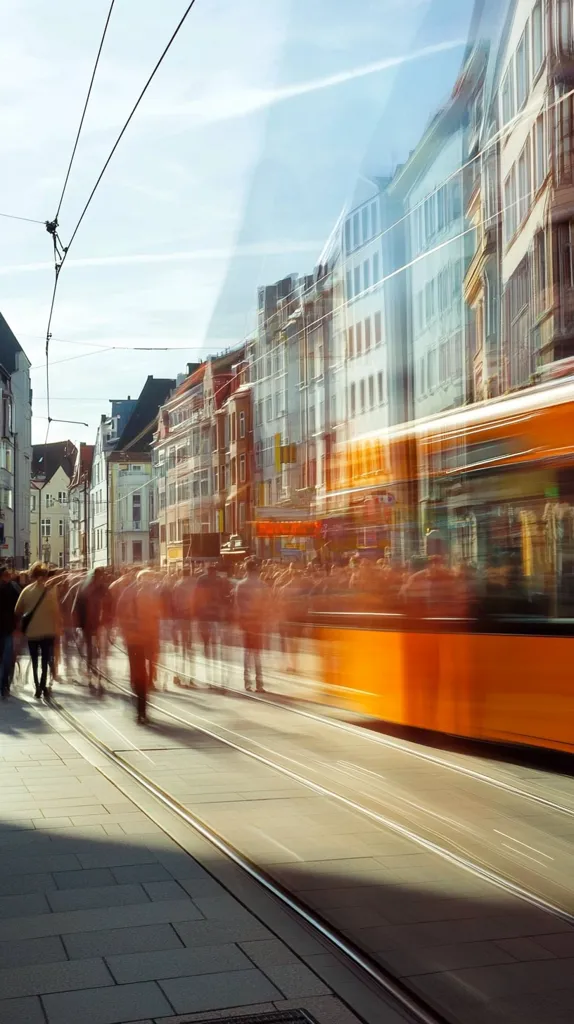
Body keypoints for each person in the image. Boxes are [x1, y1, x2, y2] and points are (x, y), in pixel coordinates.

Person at [15, 562, 61, 700]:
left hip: (32, 632)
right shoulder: (51, 591)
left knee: (34, 660)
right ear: (45, 576)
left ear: (33, 576)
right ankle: (43, 685)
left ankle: (37, 687)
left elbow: (17, 610)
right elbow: (56, 612)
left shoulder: (27, 590)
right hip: (48, 632)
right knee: (45, 660)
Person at [235, 558, 268, 692]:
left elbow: (238, 605)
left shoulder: (241, 585)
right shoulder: (262, 585)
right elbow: (267, 604)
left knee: (247, 653)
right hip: (258, 622)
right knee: (257, 653)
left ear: (246, 570)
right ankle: (259, 683)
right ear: (256, 570)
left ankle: (247, 682)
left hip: (247, 622)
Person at [0, 568, 19, 697]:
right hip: (8, 628)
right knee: (7, 658)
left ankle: (4, 684)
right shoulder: (13, 589)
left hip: (7, 628)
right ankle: (5, 684)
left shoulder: (13, 589)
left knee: (5, 658)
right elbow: (18, 609)